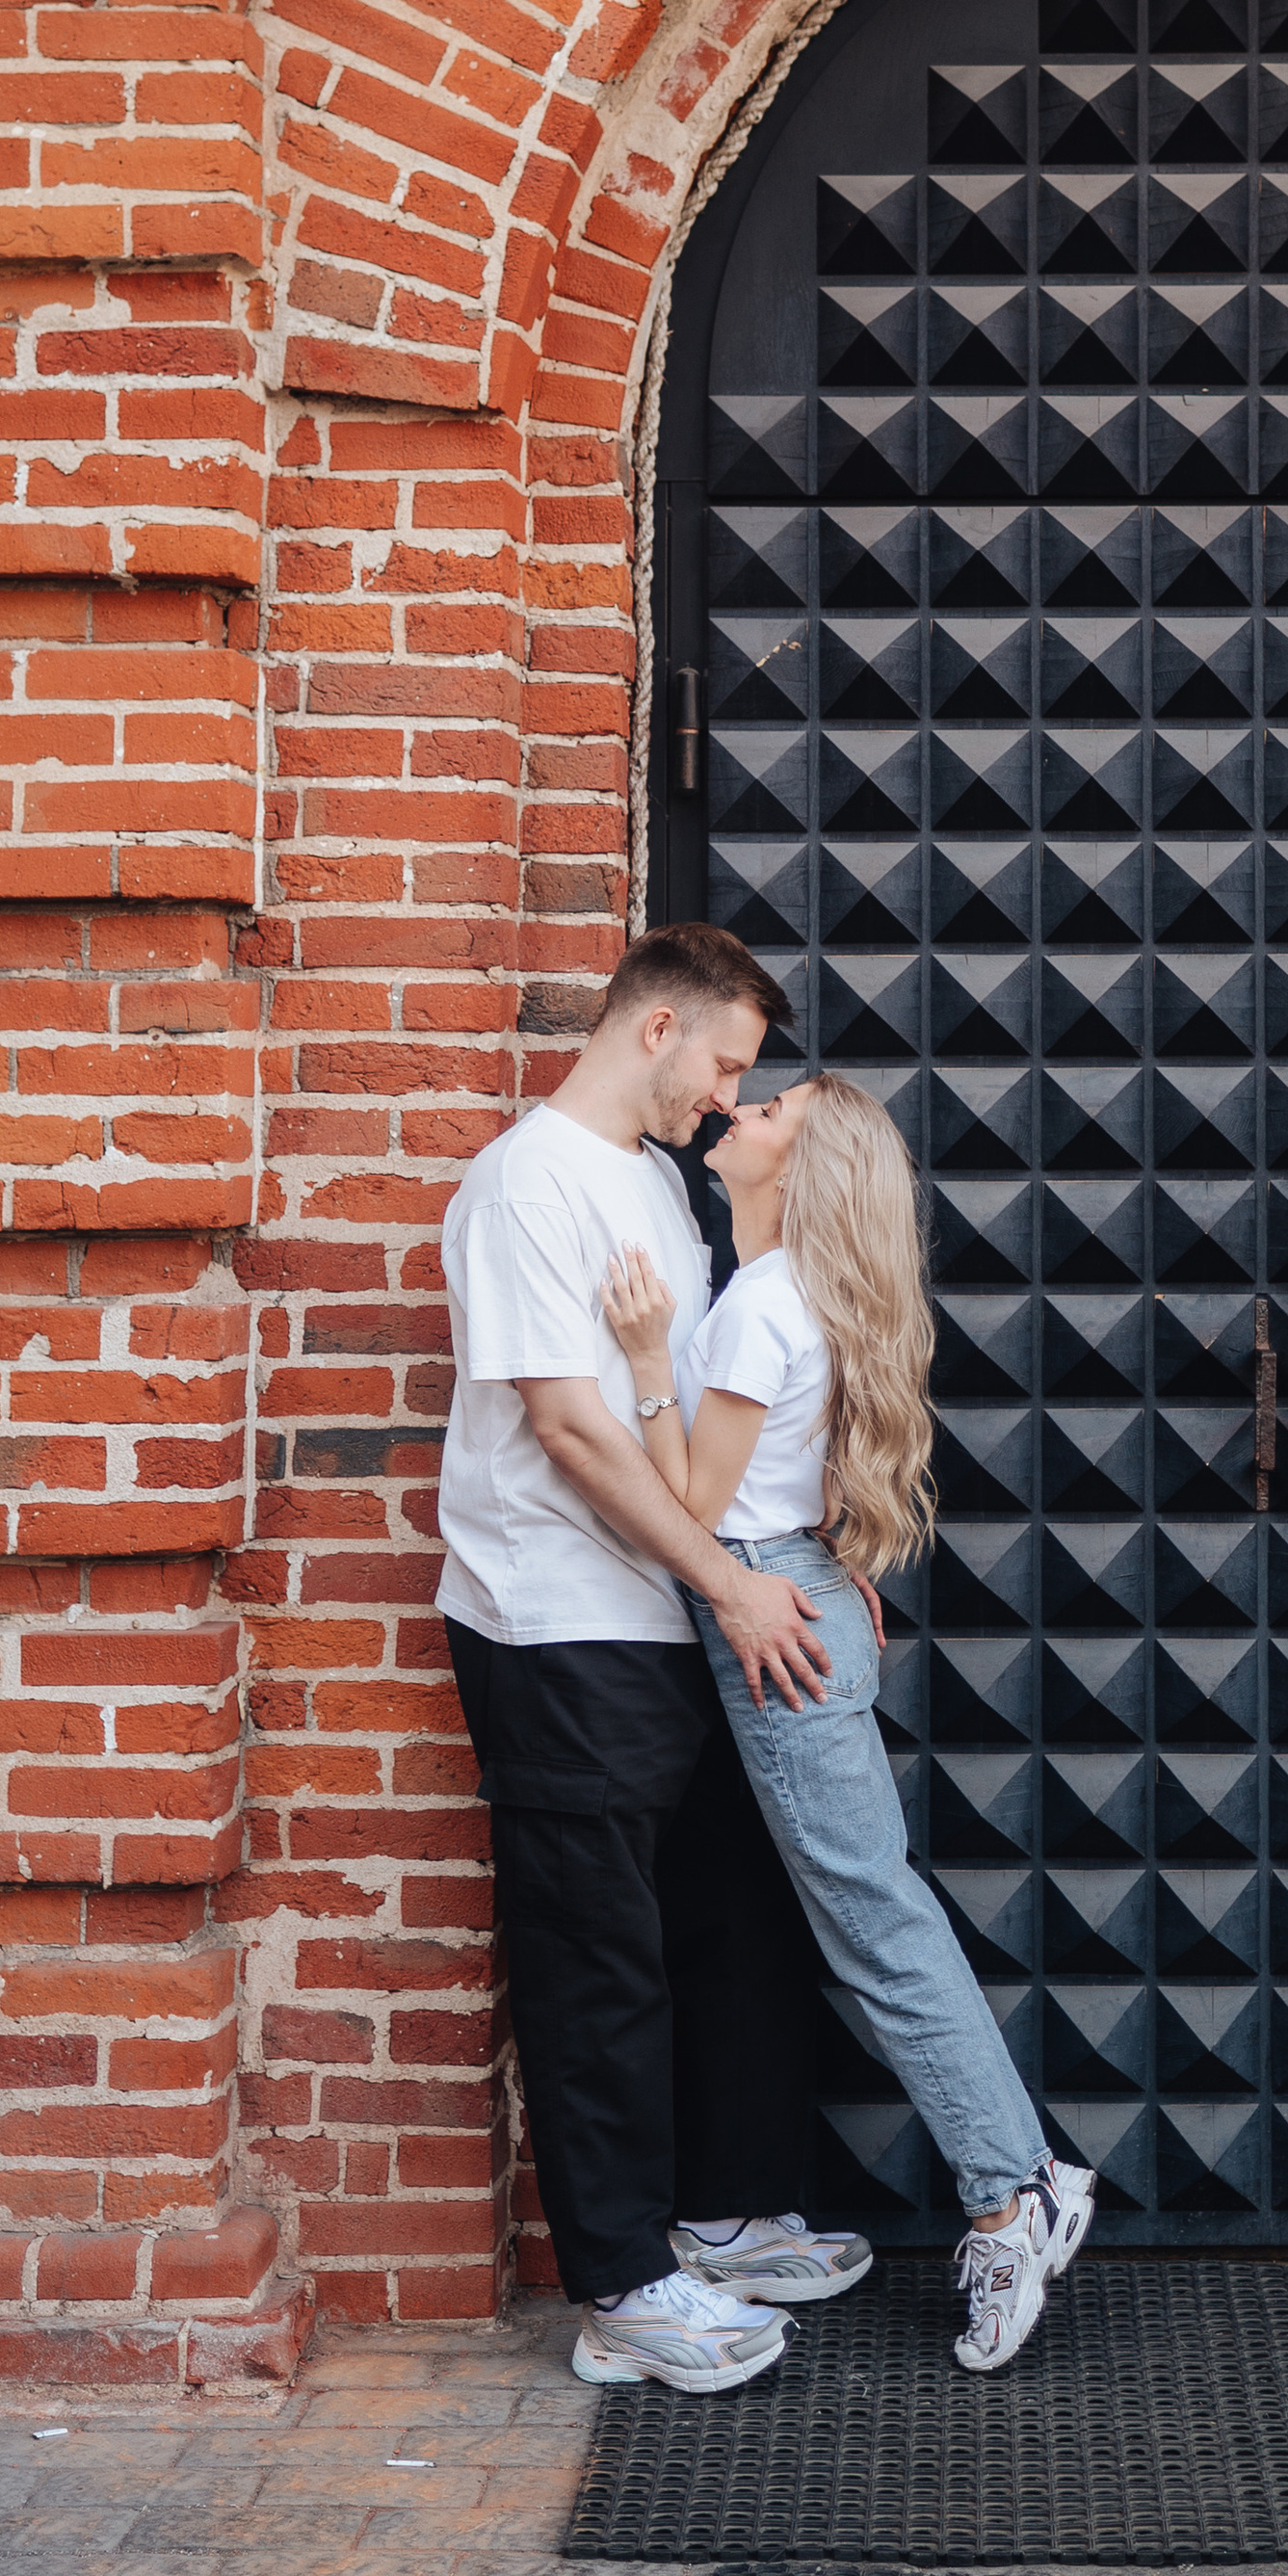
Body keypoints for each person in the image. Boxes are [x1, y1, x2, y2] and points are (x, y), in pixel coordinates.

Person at [434, 921, 875, 2396]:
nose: (728, 1098)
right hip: (559, 1628)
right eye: (728, 1066)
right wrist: (732, 1587)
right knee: (597, 1965)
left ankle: (722, 2214)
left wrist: (795, 1564)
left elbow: (693, 1420)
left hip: (672, 1617)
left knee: (727, 1922)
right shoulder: (526, 1185)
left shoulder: (656, 1184)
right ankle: (624, 2288)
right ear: (657, 1029)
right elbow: (569, 1428)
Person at [602, 1069, 1095, 2374]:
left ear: (800, 1169)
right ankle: (1019, 2179)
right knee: (868, 1908)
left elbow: (695, 1507)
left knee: (875, 1920)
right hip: (799, 1590)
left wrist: (646, 1360)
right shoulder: (788, 1295)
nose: (741, 1112)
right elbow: (801, 1484)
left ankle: (1011, 2195)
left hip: (769, 1606)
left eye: (770, 1113)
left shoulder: (760, 1308)